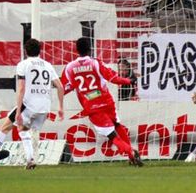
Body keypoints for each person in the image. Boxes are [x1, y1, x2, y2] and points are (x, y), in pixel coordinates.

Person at [0, 39, 65, 170]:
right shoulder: (48, 65)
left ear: (25, 51)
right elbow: (60, 87)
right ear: (40, 51)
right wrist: (61, 107)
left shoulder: (23, 64)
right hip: (45, 108)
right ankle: (30, 159)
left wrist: (18, 112)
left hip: (29, 105)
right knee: (23, 129)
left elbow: (21, 88)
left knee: (4, 128)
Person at [61, 37, 143, 166]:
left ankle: (131, 152)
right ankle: (130, 156)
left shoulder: (70, 67)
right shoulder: (95, 63)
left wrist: (53, 88)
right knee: (117, 125)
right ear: (90, 49)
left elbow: (66, 88)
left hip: (92, 107)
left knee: (112, 136)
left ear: (76, 50)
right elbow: (113, 78)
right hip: (106, 101)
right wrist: (129, 80)